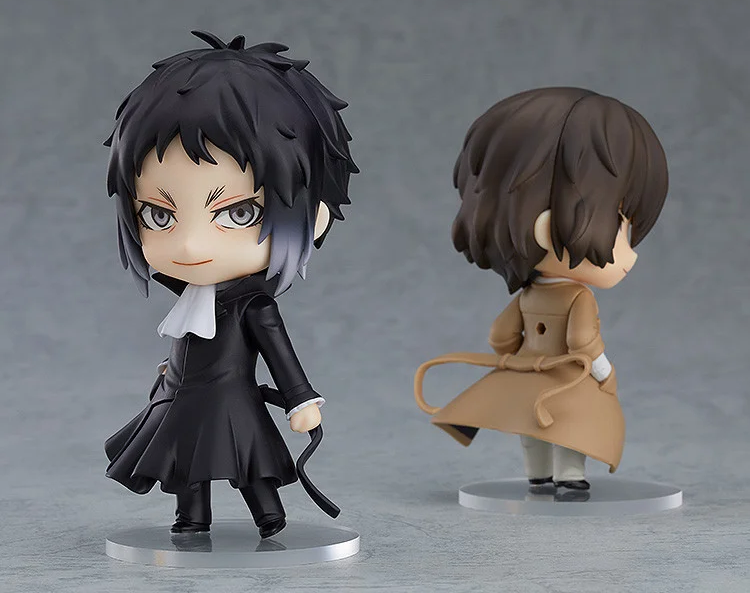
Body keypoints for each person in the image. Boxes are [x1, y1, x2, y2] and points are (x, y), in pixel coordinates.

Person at [103, 31, 357, 538]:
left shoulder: (253, 305)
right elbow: (189, 337)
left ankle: (269, 515)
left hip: (231, 399)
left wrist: (301, 399)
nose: (191, 245)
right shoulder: (190, 297)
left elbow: (280, 354)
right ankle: (191, 517)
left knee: (247, 461)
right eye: (158, 214)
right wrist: (168, 372)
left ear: (314, 217)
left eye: (238, 212)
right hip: (179, 395)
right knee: (183, 462)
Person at [415, 87, 668, 492]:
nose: (631, 253)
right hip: (567, 376)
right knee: (574, 421)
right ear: (547, 227)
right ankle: (569, 475)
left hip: (528, 372)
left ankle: (538, 472)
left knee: (530, 421)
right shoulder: (578, 297)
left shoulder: (529, 296)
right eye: (620, 226)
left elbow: (500, 335)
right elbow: (583, 341)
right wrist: (605, 373)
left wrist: (515, 357)